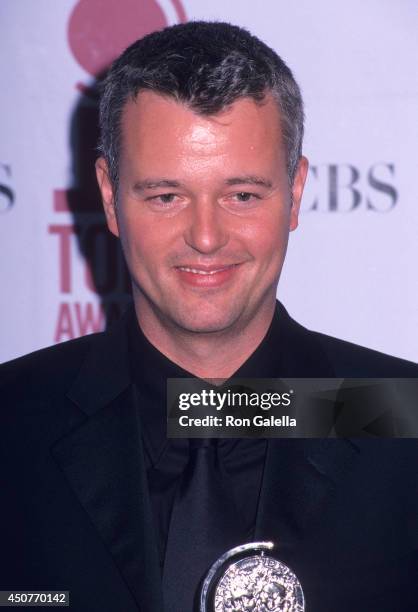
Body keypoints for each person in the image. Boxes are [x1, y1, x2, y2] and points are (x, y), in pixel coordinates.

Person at [1, 21, 417, 612]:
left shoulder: (403, 421)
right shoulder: (13, 421)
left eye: (242, 195)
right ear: (110, 196)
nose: (204, 237)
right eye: (165, 196)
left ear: (295, 194)